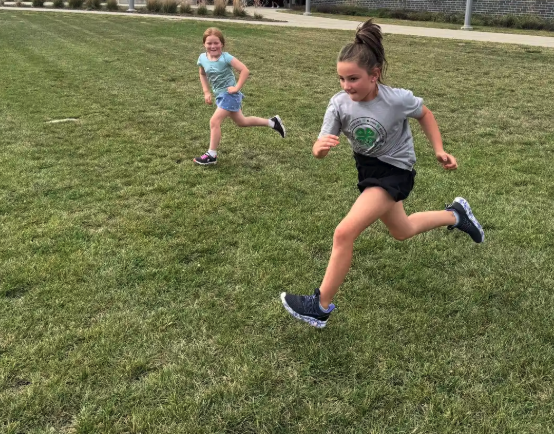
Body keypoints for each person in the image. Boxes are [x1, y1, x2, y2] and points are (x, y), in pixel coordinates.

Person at [280, 19, 484, 328]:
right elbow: (318, 149)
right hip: (369, 170)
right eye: (341, 79)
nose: (347, 86)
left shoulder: (396, 99)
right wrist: (319, 148)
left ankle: (319, 307)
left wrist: (439, 149)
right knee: (402, 230)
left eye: (354, 78)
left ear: (374, 75)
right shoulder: (338, 104)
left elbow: (424, 114)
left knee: (343, 233)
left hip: (396, 171)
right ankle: (456, 215)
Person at [193, 27, 286, 166]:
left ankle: (211, 154)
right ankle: (272, 122)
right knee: (242, 122)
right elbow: (202, 74)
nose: (213, 46)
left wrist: (236, 87)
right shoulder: (202, 58)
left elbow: (244, 70)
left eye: (216, 43)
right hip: (220, 96)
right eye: (209, 43)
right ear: (204, 44)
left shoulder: (226, 57)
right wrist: (206, 92)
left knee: (214, 122)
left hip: (230, 95)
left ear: (222, 44)